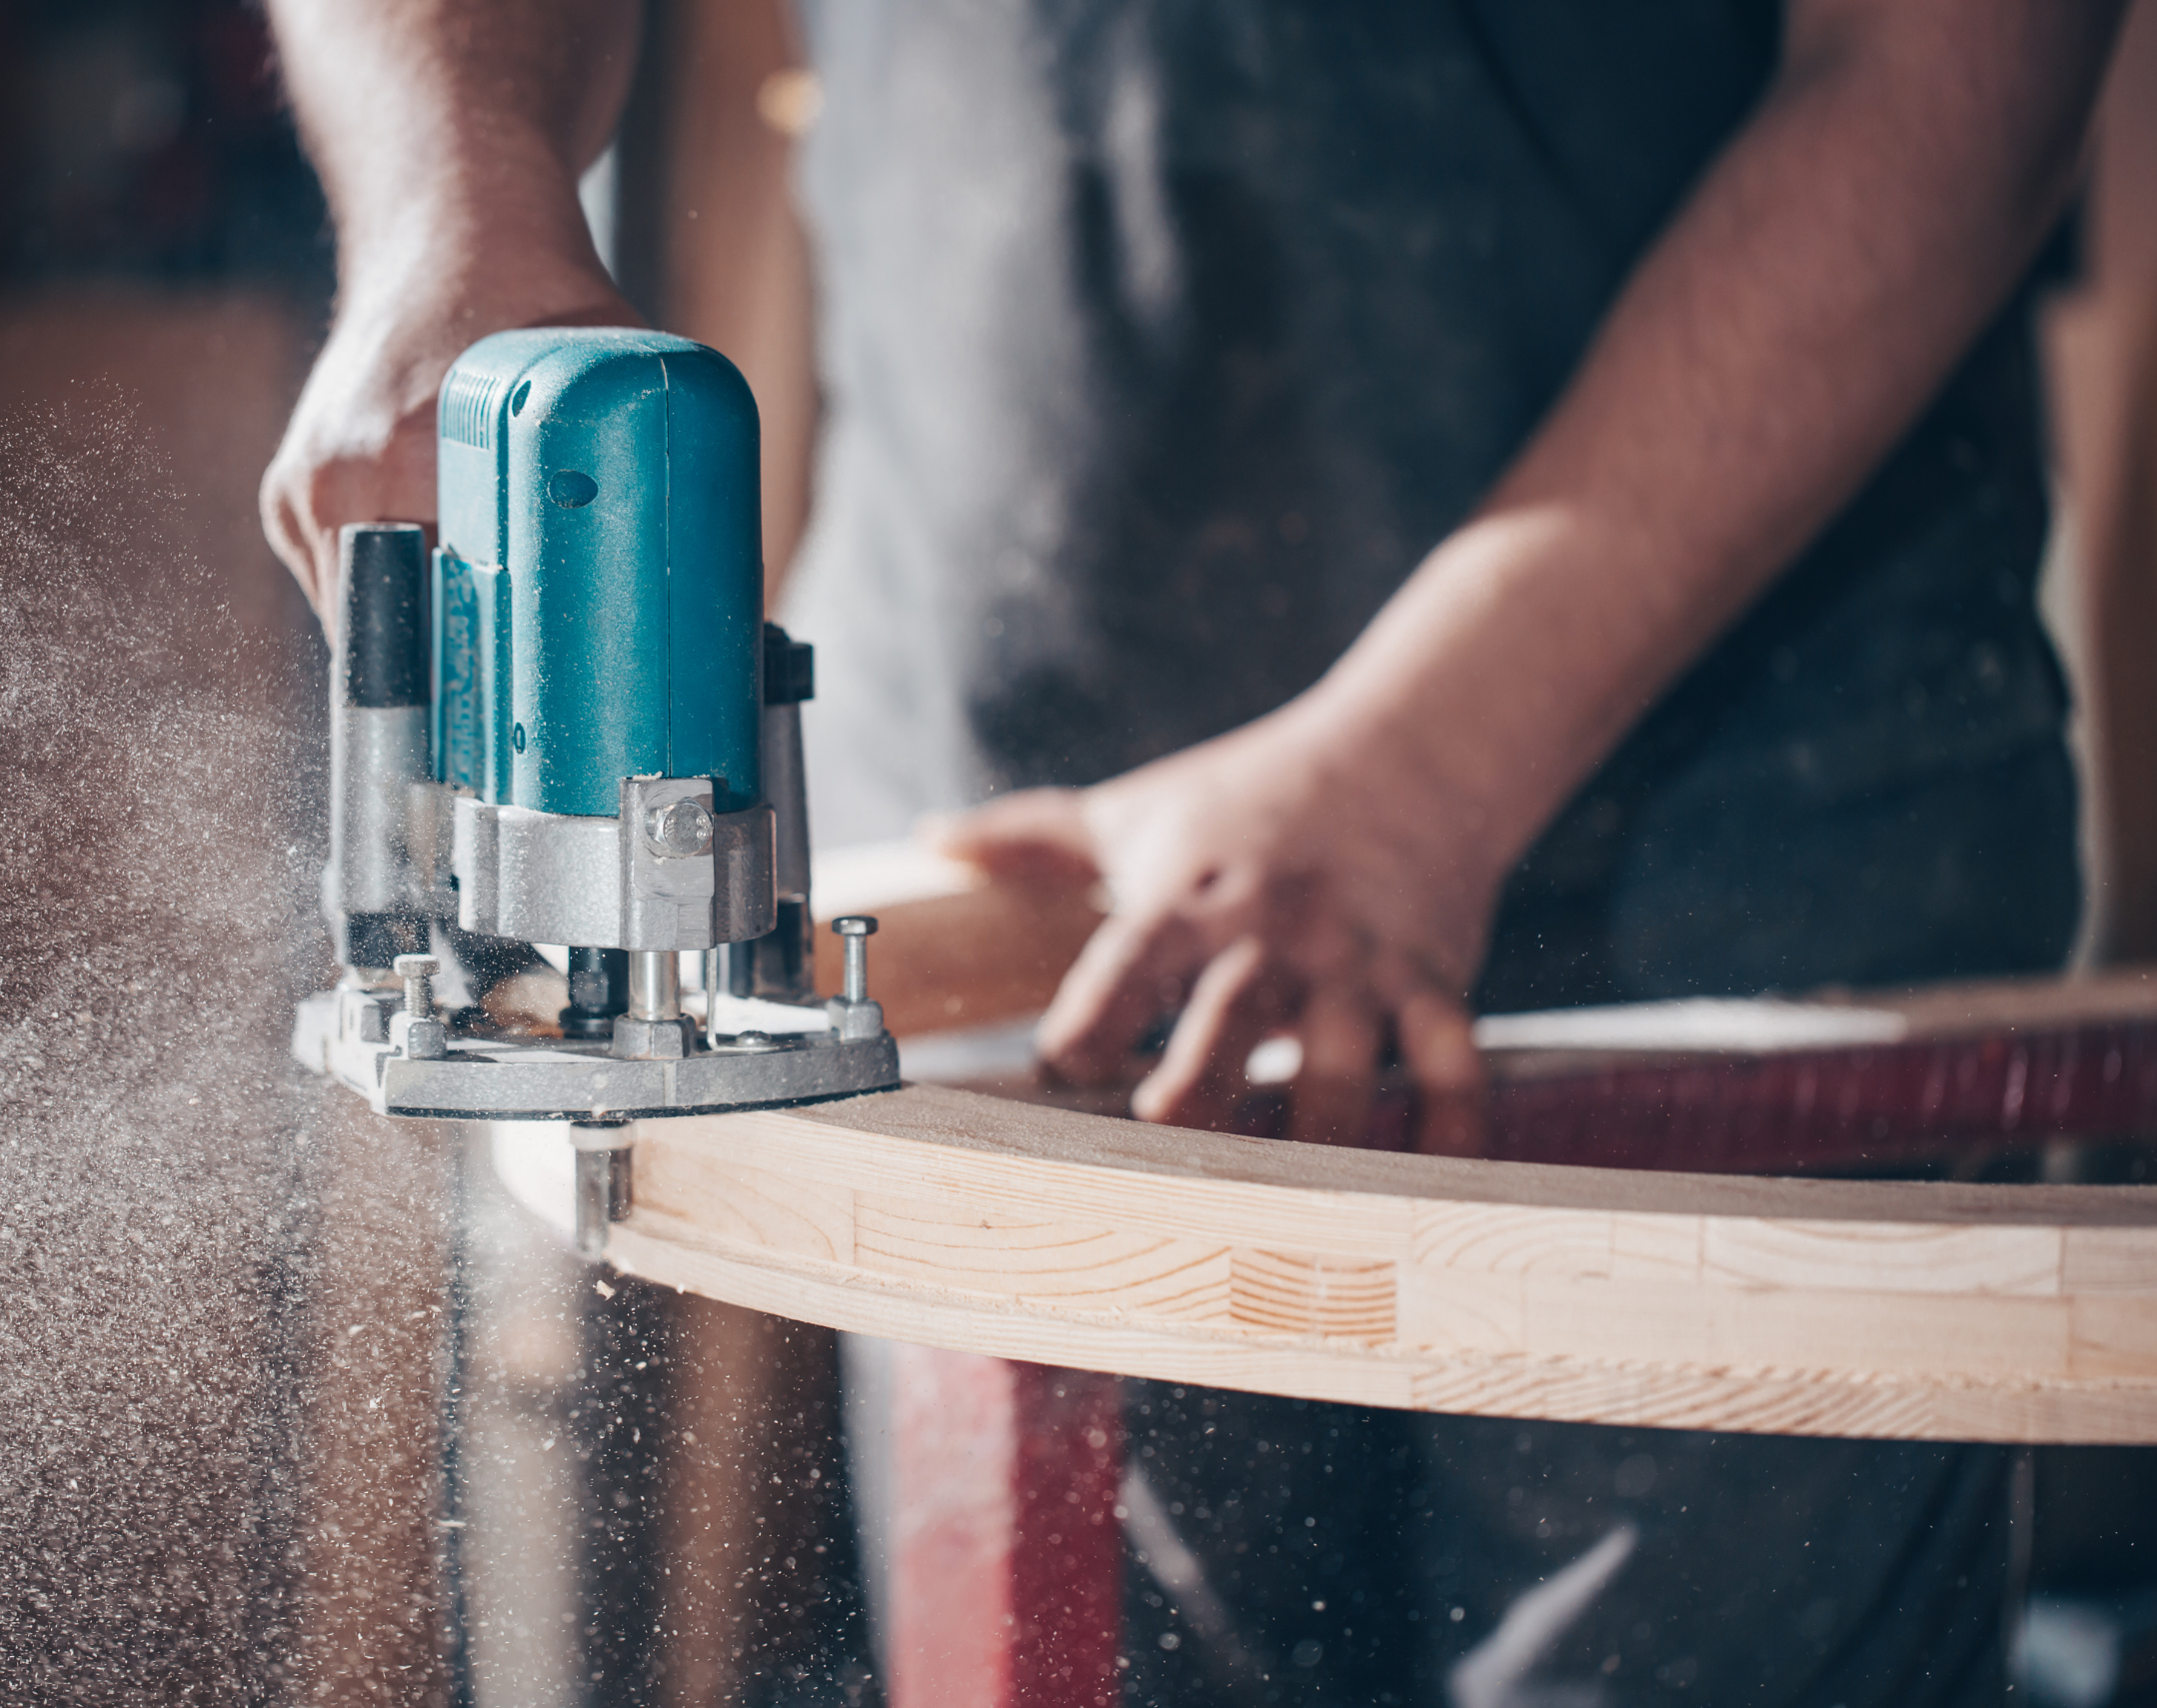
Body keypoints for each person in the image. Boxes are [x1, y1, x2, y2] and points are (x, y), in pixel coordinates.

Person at [258, 2, 2124, 1701]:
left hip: (1758, 783)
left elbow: (1963, 59)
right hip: (1030, 824)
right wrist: (456, 205)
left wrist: (1426, 764)